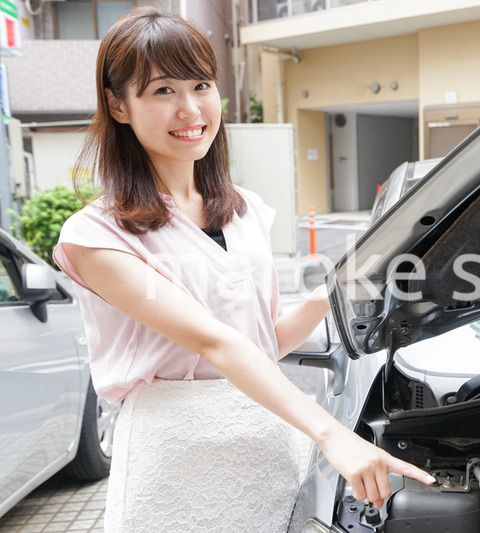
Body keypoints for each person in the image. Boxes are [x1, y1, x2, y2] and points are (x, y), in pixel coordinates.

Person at [52, 7, 435, 532]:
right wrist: (331, 434)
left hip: (269, 444)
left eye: (201, 85)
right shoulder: (95, 235)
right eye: (162, 91)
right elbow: (215, 344)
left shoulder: (245, 210)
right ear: (119, 106)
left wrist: (340, 288)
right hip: (176, 461)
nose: (190, 109)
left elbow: (262, 341)